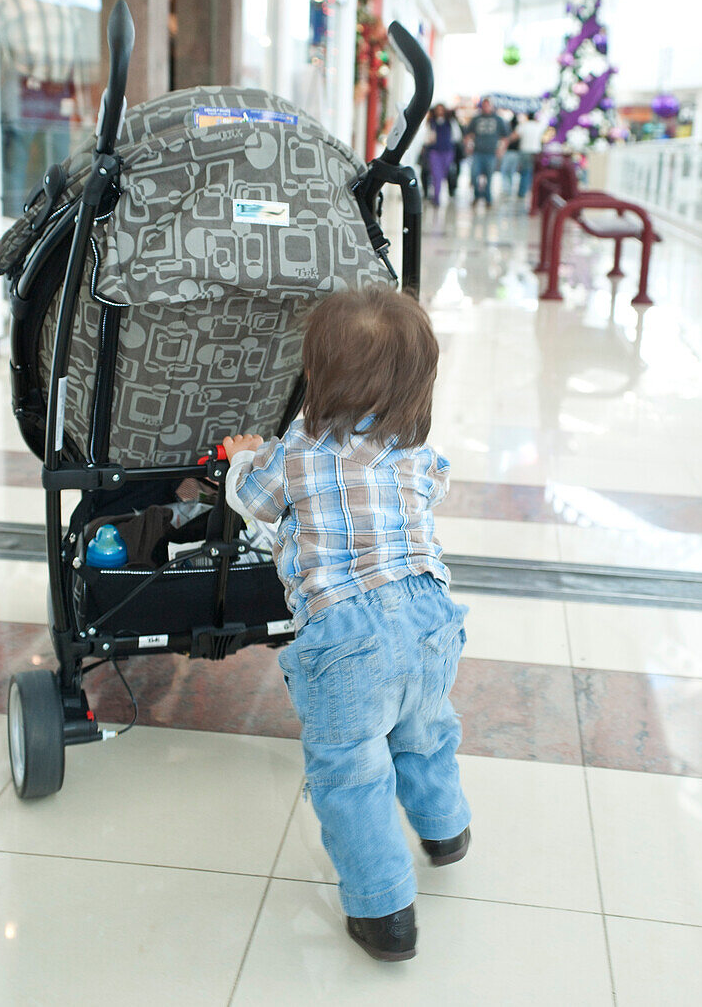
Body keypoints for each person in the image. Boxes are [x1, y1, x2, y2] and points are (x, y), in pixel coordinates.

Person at [222, 288, 470, 963]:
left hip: (347, 635)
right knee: (425, 731)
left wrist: (245, 455)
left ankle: (383, 911)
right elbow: (434, 483)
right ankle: (446, 831)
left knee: (352, 773)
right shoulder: (415, 450)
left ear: (317, 373)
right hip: (431, 617)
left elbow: (255, 502)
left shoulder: (297, 449)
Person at [464, 96, 508, 206]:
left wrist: (501, 149)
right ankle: (477, 195)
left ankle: (488, 198)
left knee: (489, 177)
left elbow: (505, 137)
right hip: (478, 152)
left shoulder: (498, 119)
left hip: (491, 153)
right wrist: (468, 146)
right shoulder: (476, 119)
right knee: (474, 175)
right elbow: (468, 135)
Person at [424, 103, 457, 206]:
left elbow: (456, 136)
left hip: (447, 151)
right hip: (435, 151)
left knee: (443, 174)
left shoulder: (450, 122)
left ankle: (438, 195)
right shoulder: (431, 123)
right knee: (436, 175)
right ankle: (436, 198)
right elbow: (426, 138)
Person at [516, 110, 546, 199]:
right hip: (536, 151)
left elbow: (515, 135)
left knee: (525, 172)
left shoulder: (524, 125)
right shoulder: (539, 126)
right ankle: (533, 191)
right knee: (534, 173)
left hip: (525, 151)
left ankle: (522, 192)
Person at [500, 112, 521, 195]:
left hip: (511, 153)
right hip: (515, 153)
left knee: (506, 171)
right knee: (510, 171)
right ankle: (508, 187)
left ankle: (507, 188)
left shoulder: (513, 132)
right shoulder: (516, 131)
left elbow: (507, 141)